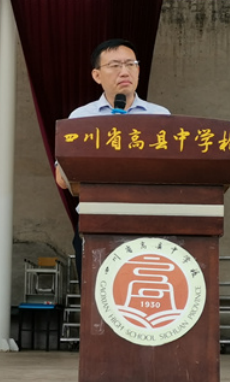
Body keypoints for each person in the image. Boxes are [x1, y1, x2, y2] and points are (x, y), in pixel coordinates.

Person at [55, 38, 171, 279]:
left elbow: (172, 170)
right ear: (97, 75)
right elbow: (62, 179)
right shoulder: (80, 118)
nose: (124, 71)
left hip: (149, 218)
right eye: (115, 65)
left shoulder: (161, 116)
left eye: (130, 64)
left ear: (138, 70)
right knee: (97, 291)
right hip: (96, 219)